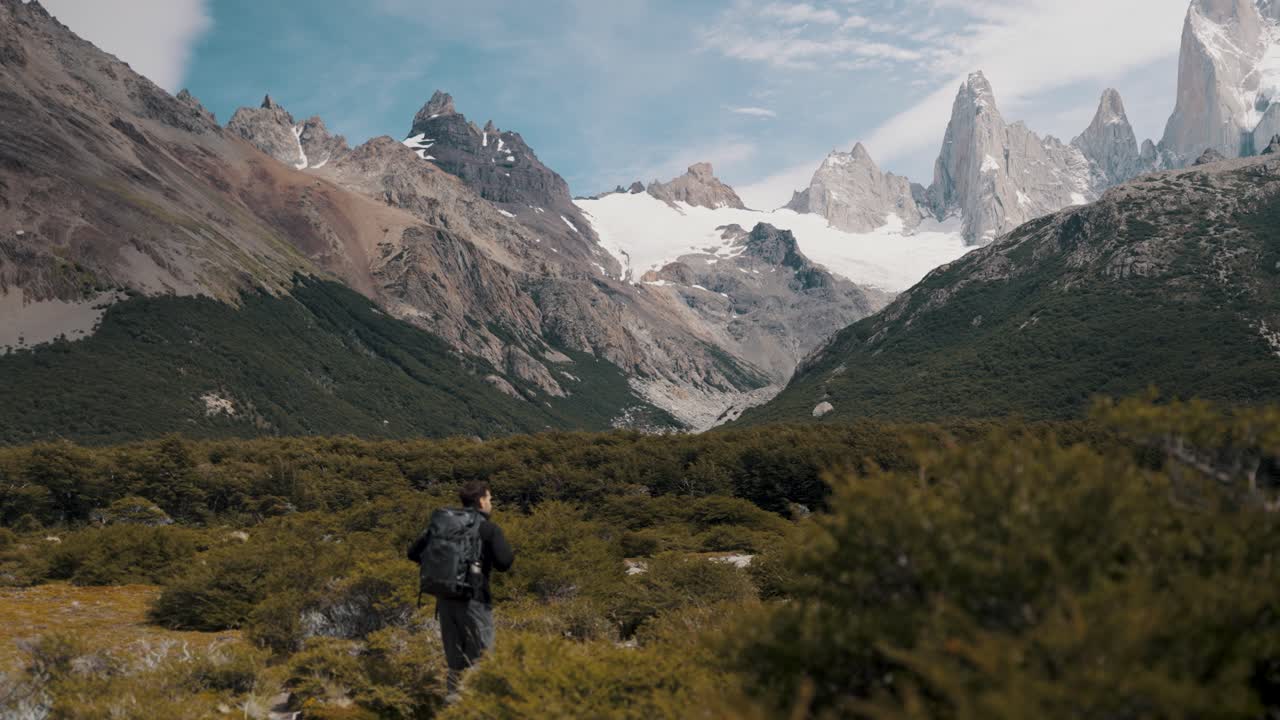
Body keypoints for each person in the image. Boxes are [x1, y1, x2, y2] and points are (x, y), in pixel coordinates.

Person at [407, 480, 514, 701]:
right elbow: (505, 562)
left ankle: (454, 706)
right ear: (481, 501)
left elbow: (413, 553)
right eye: (490, 499)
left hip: (445, 598)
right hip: (475, 600)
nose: (491, 503)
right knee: (483, 658)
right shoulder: (487, 528)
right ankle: (478, 707)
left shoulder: (444, 523)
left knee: (455, 663)